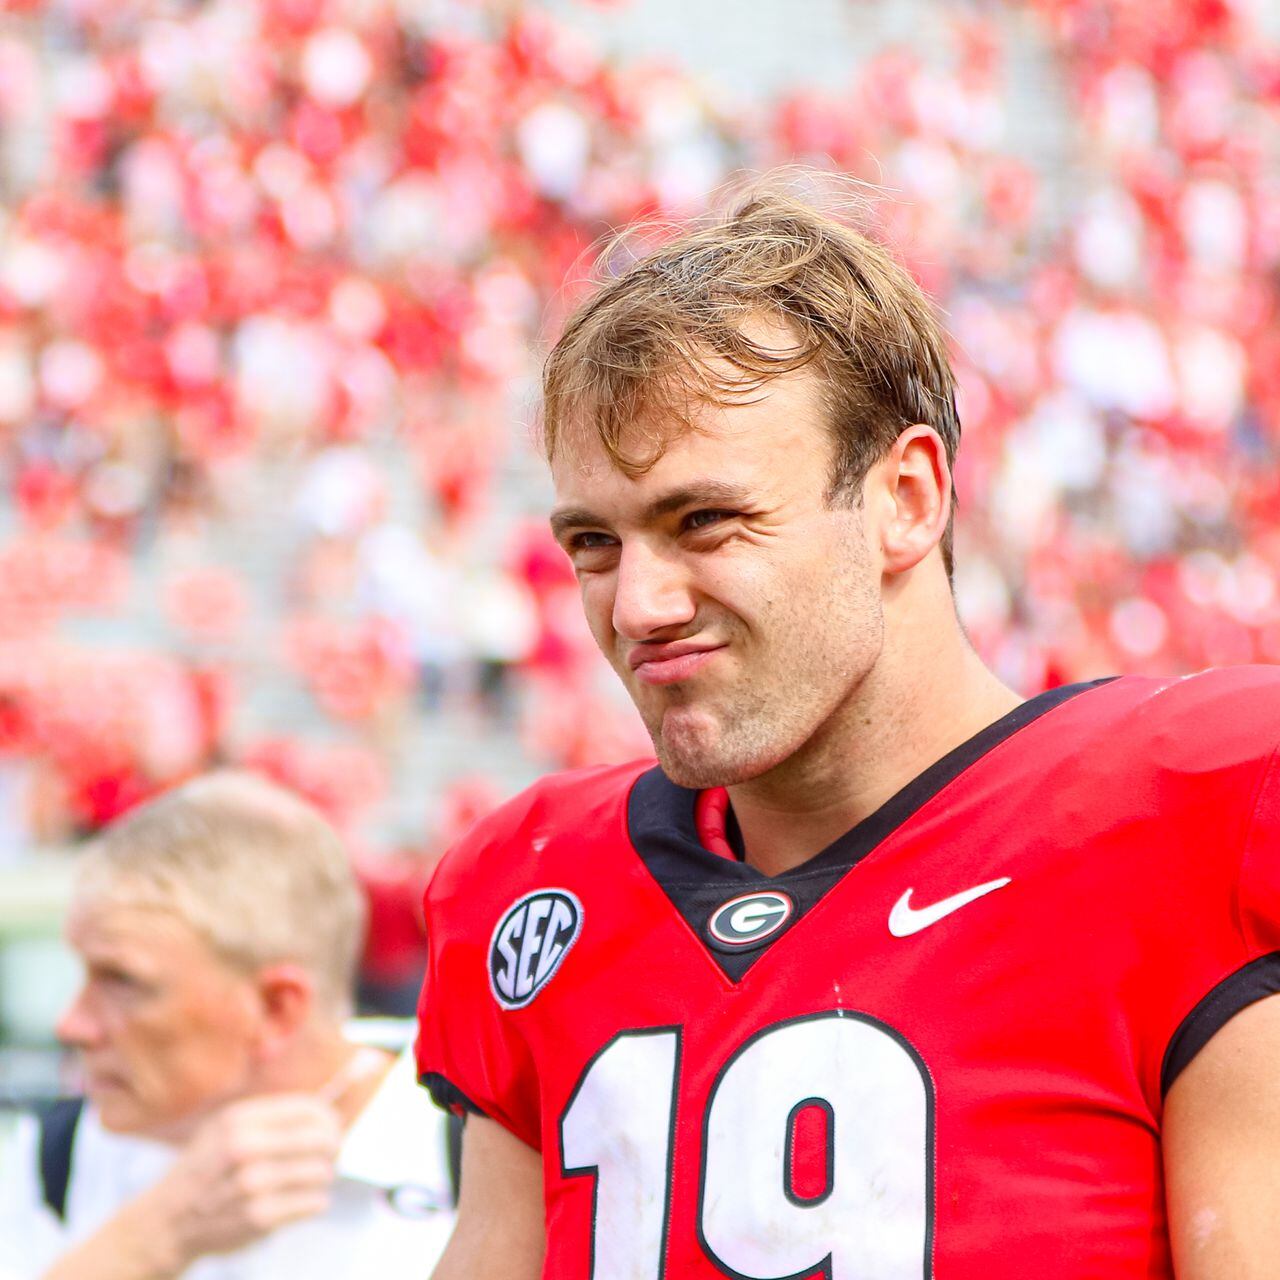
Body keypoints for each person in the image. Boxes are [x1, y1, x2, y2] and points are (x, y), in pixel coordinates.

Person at [415, 181, 1280, 1279]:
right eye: (594, 543)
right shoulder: (536, 879)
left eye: (705, 521)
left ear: (905, 498)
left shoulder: (1188, 814)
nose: (637, 604)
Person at [0, 770, 454, 1280]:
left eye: (123, 982)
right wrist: (150, 1240)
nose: (72, 1024)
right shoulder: (56, 1156)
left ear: (277, 1009)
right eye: (84, 972)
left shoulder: (472, 1158)